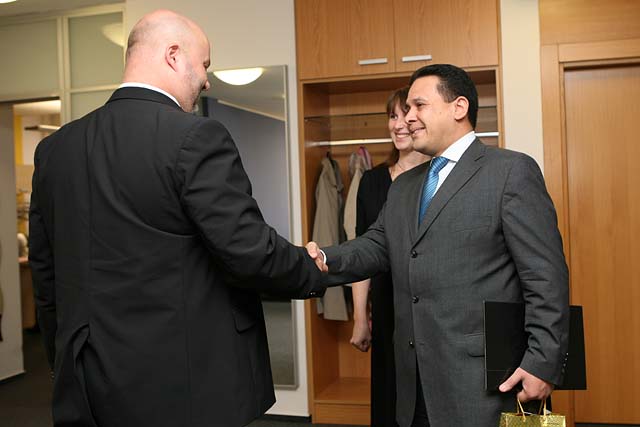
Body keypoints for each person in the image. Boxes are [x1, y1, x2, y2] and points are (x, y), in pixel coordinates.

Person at [28, 10, 326, 427]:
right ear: (172, 55)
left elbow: (46, 273)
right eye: (204, 64)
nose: (206, 80)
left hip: (86, 382)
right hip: (181, 383)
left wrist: (62, 359)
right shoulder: (195, 136)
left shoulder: (56, 149)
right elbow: (248, 250)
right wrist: (311, 269)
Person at [307, 64, 570, 427]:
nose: (407, 119)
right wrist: (322, 258)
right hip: (413, 381)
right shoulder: (404, 186)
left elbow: (546, 277)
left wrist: (542, 362)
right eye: (406, 109)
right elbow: (376, 244)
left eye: (419, 106)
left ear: (459, 107)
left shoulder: (510, 172)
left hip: (482, 383)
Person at [349, 86, 429, 426]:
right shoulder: (371, 182)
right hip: (386, 307)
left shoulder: (439, 178)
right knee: (390, 397)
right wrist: (359, 317)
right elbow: (363, 251)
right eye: (392, 116)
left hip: (428, 307)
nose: (398, 125)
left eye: (405, 116)